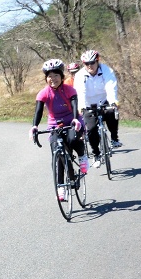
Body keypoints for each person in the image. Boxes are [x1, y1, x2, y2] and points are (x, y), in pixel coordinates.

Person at [29, 59, 87, 201]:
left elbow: (74, 105)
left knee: (73, 138)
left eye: (56, 75)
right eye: (49, 76)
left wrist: (75, 119)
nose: (53, 79)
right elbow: (38, 111)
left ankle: (82, 156)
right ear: (46, 78)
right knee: (58, 154)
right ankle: (61, 187)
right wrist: (34, 126)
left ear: (62, 77)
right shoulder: (43, 93)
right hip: (54, 125)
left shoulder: (69, 90)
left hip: (72, 120)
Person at [73, 49, 122, 168]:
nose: (90, 66)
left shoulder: (106, 70)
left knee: (111, 112)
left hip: (104, 100)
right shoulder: (80, 75)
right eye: (86, 64)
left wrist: (113, 101)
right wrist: (82, 106)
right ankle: (96, 154)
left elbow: (111, 86)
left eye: (92, 63)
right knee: (91, 128)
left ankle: (114, 138)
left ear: (97, 61)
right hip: (88, 104)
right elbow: (81, 91)